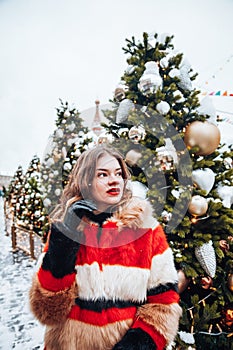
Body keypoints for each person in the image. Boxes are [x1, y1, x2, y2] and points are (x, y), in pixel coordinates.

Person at [29, 145, 182, 350]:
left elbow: (164, 305)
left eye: (118, 174)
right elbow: (47, 309)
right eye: (103, 174)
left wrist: (135, 346)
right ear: (86, 181)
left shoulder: (147, 230)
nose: (114, 180)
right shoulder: (66, 230)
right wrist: (68, 237)